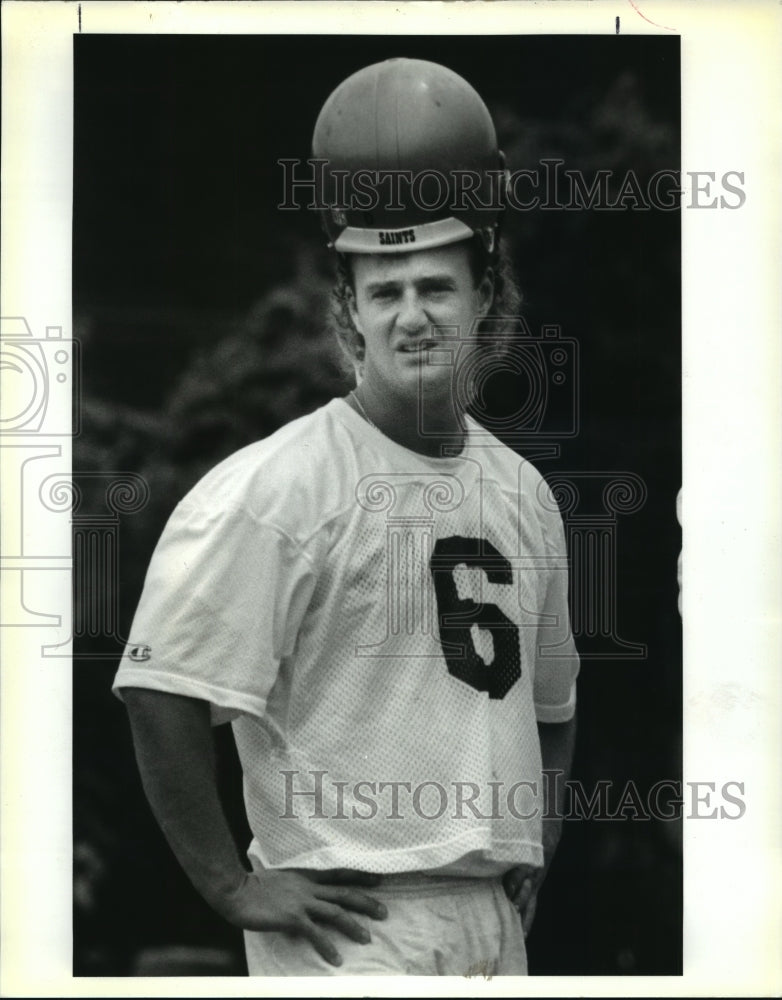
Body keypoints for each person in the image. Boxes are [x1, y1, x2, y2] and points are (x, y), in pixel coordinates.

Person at [113, 57, 579, 976]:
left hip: (491, 917)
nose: (412, 316)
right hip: (348, 926)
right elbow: (159, 687)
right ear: (351, 313)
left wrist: (542, 830)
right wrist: (230, 887)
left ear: (484, 296)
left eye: (436, 287)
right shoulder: (278, 485)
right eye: (385, 291)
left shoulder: (524, 491)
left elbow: (554, 707)